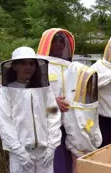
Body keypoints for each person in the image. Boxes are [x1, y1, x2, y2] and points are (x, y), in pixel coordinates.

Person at [0, 46, 61, 173]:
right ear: (14, 66)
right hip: (20, 154)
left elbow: (53, 115)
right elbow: (4, 122)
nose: (28, 67)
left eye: (31, 63)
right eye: (23, 63)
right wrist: (19, 151)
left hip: (44, 152)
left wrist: (52, 146)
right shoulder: (6, 92)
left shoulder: (45, 90)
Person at [37, 28, 75, 173]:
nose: (60, 45)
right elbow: (32, 96)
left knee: (69, 160)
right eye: (55, 41)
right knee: (55, 162)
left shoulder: (71, 67)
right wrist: (54, 103)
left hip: (70, 121)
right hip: (48, 120)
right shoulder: (37, 66)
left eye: (62, 41)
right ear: (47, 44)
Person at [63, 61, 102, 173]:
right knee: (78, 166)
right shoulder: (70, 105)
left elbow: (93, 121)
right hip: (79, 147)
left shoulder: (88, 100)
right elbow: (74, 132)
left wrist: (95, 140)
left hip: (91, 144)